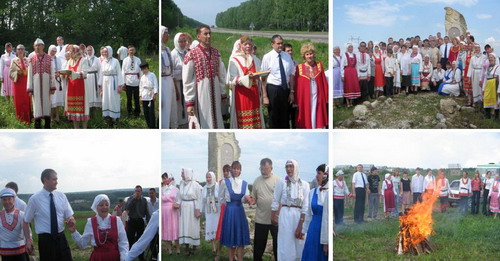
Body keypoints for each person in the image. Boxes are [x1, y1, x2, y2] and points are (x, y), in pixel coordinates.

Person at [23, 169, 75, 261]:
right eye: (54, 179)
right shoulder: (35, 199)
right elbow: (26, 221)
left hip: (61, 238)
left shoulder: (61, 196)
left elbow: (69, 215)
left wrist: (71, 220)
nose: (57, 182)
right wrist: (28, 240)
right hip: (46, 241)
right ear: (45, 180)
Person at [183, 25, 227, 129]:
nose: (208, 36)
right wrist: (190, 102)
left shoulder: (216, 53)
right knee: (203, 121)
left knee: (217, 119)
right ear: (198, 36)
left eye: (209, 33)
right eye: (205, 34)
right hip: (201, 95)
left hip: (215, 94)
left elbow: (221, 75)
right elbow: (187, 80)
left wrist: (223, 93)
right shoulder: (191, 54)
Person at [69, 194, 129, 260]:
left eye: (107, 204)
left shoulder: (117, 220)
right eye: (101, 205)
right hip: (98, 258)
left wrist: (123, 258)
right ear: (96, 207)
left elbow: (123, 242)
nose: (105, 207)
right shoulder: (91, 222)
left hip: (114, 257)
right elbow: (83, 244)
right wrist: (74, 232)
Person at [272, 160, 310, 261]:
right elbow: (275, 200)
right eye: (287, 167)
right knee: (286, 242)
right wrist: (274, 216)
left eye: (291, 166)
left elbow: (306, 206)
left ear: (296, 167)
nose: (289, 169)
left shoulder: (305, 185)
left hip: (299, 216)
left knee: (299, 243)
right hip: (285, 215)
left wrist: (301, 223)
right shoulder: (282, 183)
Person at [227, 36, 265, 129]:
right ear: (240, 46)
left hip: (254, 93)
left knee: (255, 117)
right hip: (242, 94)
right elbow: (232, 78)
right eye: (245, 44)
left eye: (250, 44)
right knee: (244, 119)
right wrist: (247, 78)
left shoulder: (255, 59)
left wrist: (263, 75)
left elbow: (259, 73)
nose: (248, 46)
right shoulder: (234, 59)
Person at [219, 161, 253, 261]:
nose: (236, 170)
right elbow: (221, 197)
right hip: (229, 211)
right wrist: (228, 205)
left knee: (240, 238)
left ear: (240, 170)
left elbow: (244, 198)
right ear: (231, 169)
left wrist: (247, 199)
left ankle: (240, 259)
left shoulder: (244, 183)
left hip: (240, 211)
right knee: (231, 239)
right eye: (234, 168)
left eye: (238, 168)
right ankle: (231, 259)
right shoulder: (225, 182)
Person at [261, 35, 296, 128]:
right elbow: (263, 78)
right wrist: (265, 96)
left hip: (285, 90)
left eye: (282, 43)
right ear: (272, 44)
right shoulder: (267, 57)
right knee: (274, 117)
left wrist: (292, 92)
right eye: (278, 44)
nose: (280, 45)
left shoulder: (287, 56)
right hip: (273, 89)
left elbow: (292, 74)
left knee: (285, 117)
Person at [251, 158, 280, 261]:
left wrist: (276, 216)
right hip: (261, 219)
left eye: (266, 169)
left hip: (275, 220)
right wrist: (251, 201)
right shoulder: (256, 181)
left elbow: (282, 200)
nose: (263, 171)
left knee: (278, 245)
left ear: (271, 168)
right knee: (258, 246)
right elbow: (254, 198)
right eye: (261, 169)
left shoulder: (278, 180)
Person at [294, 43, 328, 129]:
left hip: (317, 95)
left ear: (314, 54)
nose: (309, 56)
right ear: (304, 56)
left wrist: (326, 96)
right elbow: (297, 86)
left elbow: (323, 81)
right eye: (307, 54)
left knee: (317, 112)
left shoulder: (319, 65)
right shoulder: (299, 68)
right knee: (307, 113)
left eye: (311, 53)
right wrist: (296, 99)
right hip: (305, 97)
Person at [301, 164, 328, 261]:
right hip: (314, 229)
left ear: (326, 175)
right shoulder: (312, 192)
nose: (317, 176)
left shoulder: (329, 193)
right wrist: (303, 231)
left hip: (325, 228)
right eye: (317, 173)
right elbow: (308, 214)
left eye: (319, 173)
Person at [27, 38, 55, 129]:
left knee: (47, 103)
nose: (37, 47)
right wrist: (30, 88)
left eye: (39, 45)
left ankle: (47, 125)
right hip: (36, 86)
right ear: (34, 47)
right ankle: (37, 125)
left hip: (46, 86)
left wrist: (52, 86)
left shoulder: (49, 58)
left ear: (43, 46)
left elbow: (52, 72)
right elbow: (30, 74)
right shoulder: (31, 59)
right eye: (36, 45)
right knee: (37, 105)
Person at [176, 168, 202, 255]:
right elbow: (179, 196)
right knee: (184, 227)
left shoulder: (195, 185)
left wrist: (198, 210)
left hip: (193, 207)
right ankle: (186, 248)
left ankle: (194, 248)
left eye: (182, 173)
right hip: (183, 208)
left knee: (193, 227)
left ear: (187, 174)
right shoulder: (181, 183)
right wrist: (178, 203)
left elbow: (199, 198)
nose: (181, 175)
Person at [0, 188, 30, 261]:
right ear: (1, 201)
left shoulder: (21, 215)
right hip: (5, 250)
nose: (7, 202)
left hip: (20, 249)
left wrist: (29, 242)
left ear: (14, 200)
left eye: (9, 199)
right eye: (4, 199)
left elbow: (27, 231)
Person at [64, 44, 90, 128]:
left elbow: (85, 73)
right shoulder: (69, 61)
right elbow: (67, 71)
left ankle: (84, 128)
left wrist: (74, 74)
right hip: (71, 87)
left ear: (76, 52)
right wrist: (63, 74)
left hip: (81, 87)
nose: (70, 53)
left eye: (71, 52)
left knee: (82, 108)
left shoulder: (83, 60)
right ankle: (76, 129)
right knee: (73, 109)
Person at [99, 46, 124, 126]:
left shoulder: (115, 61)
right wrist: (101, 86)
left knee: (113, 99)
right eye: (104, 52)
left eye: (106, 52)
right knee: (106, 99)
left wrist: (120, 85)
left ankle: (116, 118)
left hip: (114, 82)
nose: (105, 53)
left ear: (110, 51)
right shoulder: (103, 62)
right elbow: (101, 74)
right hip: (105, 83)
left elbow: (119, 73)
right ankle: (108, 118)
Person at [125, 185, 150, 258]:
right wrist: (133, 199)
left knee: (140, 239)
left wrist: (148, 222)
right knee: (130, 239)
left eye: (138, 191)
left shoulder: (144, 200)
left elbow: (146, 211)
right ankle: (129, 255)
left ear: (141, 192)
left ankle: (140, 256)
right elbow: (127, 208)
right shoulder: (130, 199)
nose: (137, 193)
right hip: (132, 221)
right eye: (136, 191)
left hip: (140, 221)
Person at [8, 44, 31, 124]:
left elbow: (31, 71)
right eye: (18, 49)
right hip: (18, 84)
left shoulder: (28, 60)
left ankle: (28, 118)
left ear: (24, 50)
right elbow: (10, 73)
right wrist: (17, 73)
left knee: (27, 100)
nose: (20, 51)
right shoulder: (13, 60)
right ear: (16, 51)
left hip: (27, 83)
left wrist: (26, 72)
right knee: (19, 101)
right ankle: (20, 119)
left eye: (22, 49)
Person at [161, 26, 177, 129]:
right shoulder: (160, 50)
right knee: (164, 107)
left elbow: (171, 67)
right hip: (163, 81)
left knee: (172, 106)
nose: (168, 36)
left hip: (169, 80)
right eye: (166, 34)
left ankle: (172, 125)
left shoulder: (167, 49)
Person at [171, 32, 188, 128]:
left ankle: (186, 120)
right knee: (178, 102)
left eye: (184, 41)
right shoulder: (173, 54)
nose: (182, 43)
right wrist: (176, 89)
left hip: (186, 82)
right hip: (177, 83)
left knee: (186, 101)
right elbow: (172, 71)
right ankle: (179, 122)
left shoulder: (186, 52)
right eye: (180, 41)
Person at [161, 172, 180, 255]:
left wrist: (177, 204)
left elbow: (179, 200)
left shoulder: (175, 189)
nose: (164, 180)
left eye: (165, 178)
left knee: (174, 228)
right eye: (163, 178)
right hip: (164, 212)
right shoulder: (162, 189)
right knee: (166, 229)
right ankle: (169, 249)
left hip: (173, 211)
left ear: (169, 178)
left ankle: (178, 248)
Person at [215, 164, 231, 259]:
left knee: (232, 231)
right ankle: (218, 253)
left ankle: (234, 254)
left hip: (233, 208)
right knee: (221, 231)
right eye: (224, 171)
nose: (225, 173)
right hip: (225, 208)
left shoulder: (234, 181)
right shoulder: (221, 182)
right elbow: (220, 197)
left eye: (227, 171)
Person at [202, 171, 220, 253]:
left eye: (210, 177)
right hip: (208, 210)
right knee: (210, 225)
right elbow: (203, 199)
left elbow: (219, 197)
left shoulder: (217, 186)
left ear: (213, 177)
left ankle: (218, 246)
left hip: (216, 210)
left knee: (217, 226)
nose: (208, 179)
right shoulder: (204, 187)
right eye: (207, 177)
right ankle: (213, 246)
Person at [122, 45, 142, 117]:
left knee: (136, 98)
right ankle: (129, 112)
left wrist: (141, 81)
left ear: (134, 51)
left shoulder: (138, 60)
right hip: (128, 81)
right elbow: (123, 71)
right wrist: (123, 82)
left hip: (136, 81)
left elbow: (140, 71)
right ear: (128, 51)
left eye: (132, 50)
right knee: (129, 98)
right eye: (130, 50)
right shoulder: (125, 60)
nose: (131, 51)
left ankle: (137, 112)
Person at [139, 61, 158, 129]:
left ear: (147, 68)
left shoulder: (152, 75)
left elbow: (155, 84)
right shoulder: (142, 77)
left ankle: (152, 125)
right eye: (142, 69)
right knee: (145, 111)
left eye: (144, 69)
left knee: (151, 112)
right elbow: (140, 87)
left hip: (150, 95)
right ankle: (148, 125)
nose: (143, 70)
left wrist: (155, 94)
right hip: (144, 95)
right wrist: (140, 96)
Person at [482, 53, 499, 119]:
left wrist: (498, 89)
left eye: (492, 57)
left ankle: (496, 117)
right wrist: (483, 89)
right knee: (486, 99)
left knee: (496, 101)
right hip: (488, 85)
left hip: (495, 85)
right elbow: (486, 78)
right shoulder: (488, 68)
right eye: (489, 57)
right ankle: (487, 116)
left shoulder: (498, 67)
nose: (490, 59)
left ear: (495, 59)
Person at [84, 45, 101, 110]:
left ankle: (95, 107)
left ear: (92, 50)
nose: (89, 52)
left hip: (95, 76)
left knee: (95, 91)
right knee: (88, 92)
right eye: (88, 50)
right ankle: (89, 107)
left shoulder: (96, 59)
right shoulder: (84, 59)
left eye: (90, 50)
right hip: (87, 77)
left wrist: (99, 80)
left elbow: (99, 70)